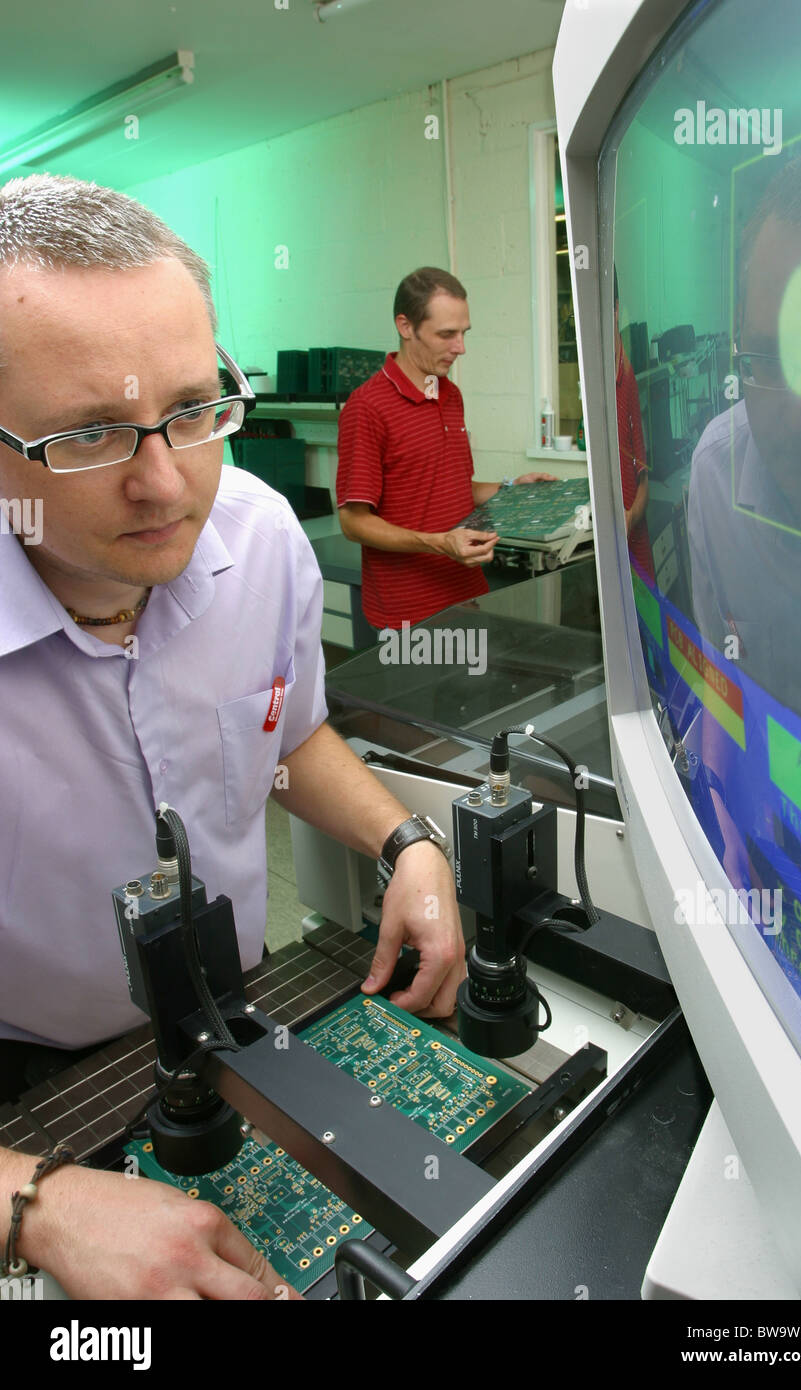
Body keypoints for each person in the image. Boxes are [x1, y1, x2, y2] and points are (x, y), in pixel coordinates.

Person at [0, 174, 465, 1299]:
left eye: (195, 408)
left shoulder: (260, 541)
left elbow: (287, 739)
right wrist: (34, 1205)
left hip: (240, 1013)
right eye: (92, 434)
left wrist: (406, 841)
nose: (166, 483)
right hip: (29, 1077)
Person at [686, 136, 801, 888]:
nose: (795, 418)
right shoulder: (715, 475)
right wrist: (727, 827)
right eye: (767, 357)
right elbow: (718, 689)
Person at [337, 266, 555, 629]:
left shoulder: (450, 394)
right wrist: (439, 543)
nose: (461, 348)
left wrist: (511, 489)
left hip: (467, 597)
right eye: (447, 334)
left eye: (464, 333)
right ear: (406, 327)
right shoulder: (367, 407)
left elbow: (452, 488)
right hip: (409, 615)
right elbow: (353, 522)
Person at [614, 267, 654, 582]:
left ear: (615, 310)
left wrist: (630, 517)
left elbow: (644, 478)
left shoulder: (626, 377)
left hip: (633, 545)